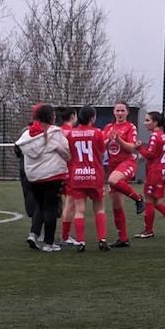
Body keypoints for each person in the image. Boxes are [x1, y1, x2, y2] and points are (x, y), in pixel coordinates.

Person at [16, 104, 70, 252]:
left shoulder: (26, 135)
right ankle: (49, 243)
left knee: (40, 206)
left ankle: (34, 234)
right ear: (50, 116)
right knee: (50, 208)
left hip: (34, 177)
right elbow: (66, 152)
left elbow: (19, 150)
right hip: (53, 175)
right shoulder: (56, 132)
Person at [131, 111, 165, 239]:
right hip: (164, 171)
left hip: (156, 173)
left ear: (155, 123)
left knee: (150, 201)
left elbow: (150, 154)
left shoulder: (155, 136)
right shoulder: (163, 135)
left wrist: (139, 148)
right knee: (157, 202)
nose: (145, 123)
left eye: (148, 120)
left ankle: (150, 230)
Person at [65, 106, 110, 252]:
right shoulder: (97, 133)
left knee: (79, 210)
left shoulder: (71, 134)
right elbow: (102, 150)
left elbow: (69, 153)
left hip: (77, 175)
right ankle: (102, 240)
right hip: (94, 175)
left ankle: (81, 242)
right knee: (99, 208)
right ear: (92, 118)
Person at [104, 101, 145, 248]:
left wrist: (118, 139)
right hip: (113, 165)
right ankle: (123, 238)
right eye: (117, 110)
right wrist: (108, 139)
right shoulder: (108, 127)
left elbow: (131, 148)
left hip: (127, 163)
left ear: (127, 112)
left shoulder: (130, 127)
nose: (120, 113)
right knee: (116, 204)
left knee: (112, 180)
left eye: (122, 111)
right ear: (114, 112)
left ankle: (139, 199)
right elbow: (101, 146)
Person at [55, 107, 79, 246]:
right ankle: (65, 236)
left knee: (56, 204)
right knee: (70, 205)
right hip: (70, 172)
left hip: (56, 172)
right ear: (73, 116)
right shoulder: (72, 132)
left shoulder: (57, 131)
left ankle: (42, 233)